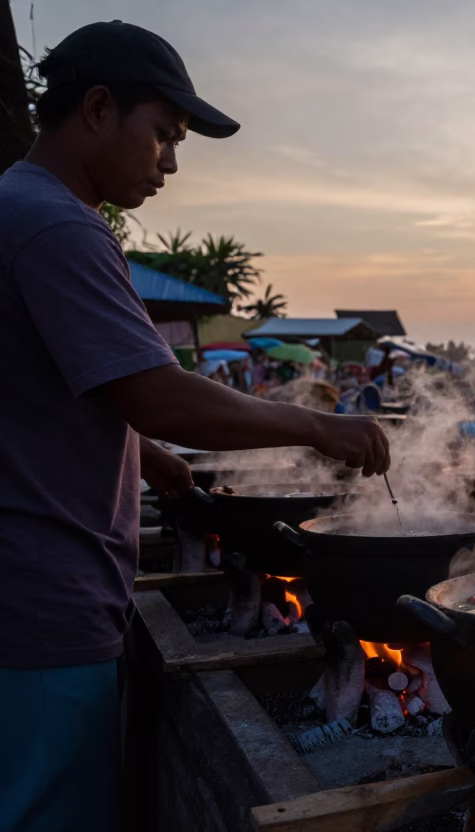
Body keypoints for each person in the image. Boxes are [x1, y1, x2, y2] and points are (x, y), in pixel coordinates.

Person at [0, 21, 390, 832]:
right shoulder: (58, 223)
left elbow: (40, 384)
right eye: (165, 137)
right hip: (39, 600)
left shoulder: (19, 205)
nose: (170, 165)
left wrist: (141, 454)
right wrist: (317, 428)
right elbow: (161, 394)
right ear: (99, 109)